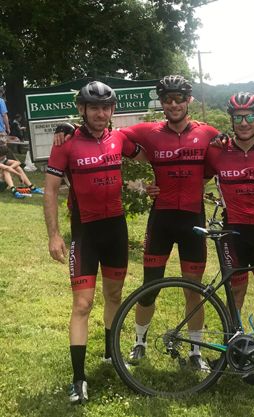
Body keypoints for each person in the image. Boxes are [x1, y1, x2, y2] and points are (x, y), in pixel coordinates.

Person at [44, 81, 144, 404]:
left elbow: (148, 154)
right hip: (85, 232)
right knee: (82, 305)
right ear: (82, 109)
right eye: (94, 107)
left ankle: (110, 355)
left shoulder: (120, 139)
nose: (100, 113)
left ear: (112, 110)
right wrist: (54, 235)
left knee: (114, 295)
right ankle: (78, 379)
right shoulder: (66, 143)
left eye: (105, 107)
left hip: (116, 230)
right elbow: (50, 190)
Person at [119, 75, 219, 371]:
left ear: (189, 100)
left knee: (193, 290)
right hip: (161, 219)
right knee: (150, 287)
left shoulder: (207, 133)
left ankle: (196, 351)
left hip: (193, 219)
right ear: (161, 102)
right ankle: (139, 343)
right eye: (167, 99)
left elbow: (230, 152)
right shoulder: (149, 131)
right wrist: (139, 166)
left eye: (179, 98)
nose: (173, 104)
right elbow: (113, 136)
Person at [204, 92, 254, 383]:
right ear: (232, 120)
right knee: (236, 292)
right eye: (238, 117)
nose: (244, 122)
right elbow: (195, 175)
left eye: (249, 117)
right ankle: (231, 346)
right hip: (232, 231)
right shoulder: (217, 151)